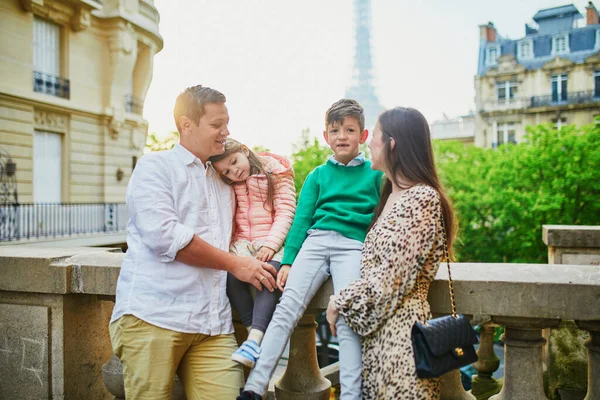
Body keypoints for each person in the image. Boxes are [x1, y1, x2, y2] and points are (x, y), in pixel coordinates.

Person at [109, 85, 278, 400]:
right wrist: (237, 264)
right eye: (217, 125)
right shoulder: (153, 168)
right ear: (187, 125)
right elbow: (167, 238)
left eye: (226, 123)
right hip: (153, 319)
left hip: (213, 326)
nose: (225, 131)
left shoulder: (225, 178)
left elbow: (260, 217)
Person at [238, 99, 384, 400]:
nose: (341, 136)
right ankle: (254, 388)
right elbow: (301, 220)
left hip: (353, 247)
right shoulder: (317, 175)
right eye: (335, 130)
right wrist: (288, 261)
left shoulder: (376, 175)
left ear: (363, 136)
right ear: (325, 136)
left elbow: (380, 219)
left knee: (347, 317)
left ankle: (351, 395)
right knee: (287, 308)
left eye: (349, 130)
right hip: (315, 243)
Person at [325, 107, 456, 399]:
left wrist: (339, 300)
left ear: (392, 144)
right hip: (377, 349)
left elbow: (388, 283)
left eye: (377, 135)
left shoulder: (421, 198)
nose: (369, 142)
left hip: (404, 349)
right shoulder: (390, 195)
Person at [208, 138, 296, 368]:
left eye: (235, 162)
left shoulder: (276, 173)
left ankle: (255, 337)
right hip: (243, 243)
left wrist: (271, 244)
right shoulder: (231, 183)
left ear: (245, 151)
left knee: (268, 278)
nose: (234, 172)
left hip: (272, 242)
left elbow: (286, 211)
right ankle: (251, 334)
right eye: (227, 171)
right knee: (229, 277)